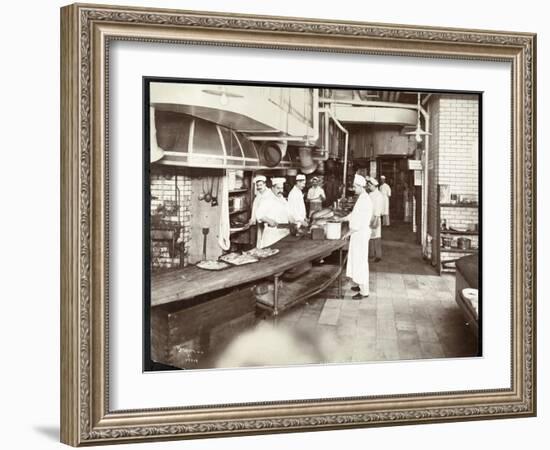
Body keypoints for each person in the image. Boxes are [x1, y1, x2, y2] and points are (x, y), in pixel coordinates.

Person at [338, 174, 373, 299]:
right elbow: (354, 215)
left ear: (360, 186)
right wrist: (342, 219)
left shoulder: (364, 200)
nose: (353, 189)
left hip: (360, 234)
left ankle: (364, 291)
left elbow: (358, 222)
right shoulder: (361, 198)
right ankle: (359, 284)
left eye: (354, 186)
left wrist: (347, 233)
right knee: (356, 260)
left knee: (360, 262)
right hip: (358, 234)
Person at [254, 177, 291, 248]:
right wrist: (269, 220)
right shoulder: (267, 199)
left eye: (281, 188)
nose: (280, 190)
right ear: (272, 188)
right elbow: (259, 214)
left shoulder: (282, 199)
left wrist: (293, 221)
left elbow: (288, 212)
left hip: (284, 232)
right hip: (272, 234)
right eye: (278, 188)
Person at [249, 175, 275, 247]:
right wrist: (252, 219)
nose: (259, 187)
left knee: (268, 242)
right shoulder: (259, 195)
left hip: (269, 222)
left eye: (260, 185)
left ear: (265, 184)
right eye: (257, 185)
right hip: (260, 222)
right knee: (261, 241)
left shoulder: (269, 194)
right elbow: (255, 208)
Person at [367, 177, 384, 262]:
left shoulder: (379, 195)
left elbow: (378, 208)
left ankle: (378, 256)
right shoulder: (370, 194)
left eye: (370, 185)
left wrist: (376, 219)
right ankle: (371, 254)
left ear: (374, 185)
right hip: (370, 216)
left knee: (376, 236)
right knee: (370, 236)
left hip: (375, 217)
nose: (369, 187)